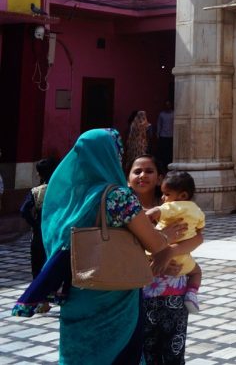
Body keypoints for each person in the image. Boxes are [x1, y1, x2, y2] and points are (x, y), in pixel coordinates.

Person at [11, 129, 176, 364]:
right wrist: (166, 236)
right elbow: (153, 242)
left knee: (81, 353)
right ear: (112, 156)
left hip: (78, 289)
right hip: (114, 293)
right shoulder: (117, 196)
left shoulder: (68, 194)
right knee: (118, 353)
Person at [129, 154, 204, 365]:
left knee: (173, 350)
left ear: (159, 178)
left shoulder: (173, 206)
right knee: (145, 349)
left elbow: (198, 237)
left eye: (149, 171)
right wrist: (155, 260)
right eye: (137, 171)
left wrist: (170, 252)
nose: (143, 175)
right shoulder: (122, 208)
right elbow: (121, 249)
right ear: (128, 178)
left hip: (174, 293)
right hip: (139, 290)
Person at [145, 170, 204, 313]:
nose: (164, 198)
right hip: (183, 260)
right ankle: (191, 293)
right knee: (196, 272)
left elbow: (152, 213)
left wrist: (146, 221)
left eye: (167, 194)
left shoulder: (171, 207)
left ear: (182, 196)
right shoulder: (196, 210)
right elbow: (200, 231)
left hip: (155, 259)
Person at [19, 158, 58, 313]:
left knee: (37, 267)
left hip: (39, 236)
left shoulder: (37, 191)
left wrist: (35, 224)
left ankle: (42, 301)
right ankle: (52, 297)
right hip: (56, 235)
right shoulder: (62, 190)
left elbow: (24, 210)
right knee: (52, 267)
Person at [124, 110, 151, 174]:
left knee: (132, 160)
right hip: (142, 146)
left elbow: (127, 136)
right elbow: (149, 137)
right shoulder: (147, 126)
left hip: (132, 147)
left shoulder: (132, 125)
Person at [156, 101, 175, 168]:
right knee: (163, 151)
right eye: (166, 105)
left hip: (171, 135)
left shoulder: (173, 114)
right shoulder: (162, 114)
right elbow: (159, 124)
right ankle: (164, 165)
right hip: (163, 135)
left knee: (170, 151)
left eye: (168, 105)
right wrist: (158, 134)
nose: (167, 106)